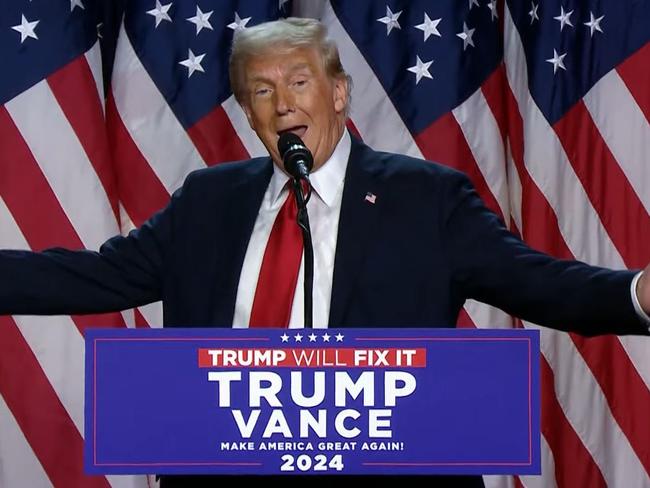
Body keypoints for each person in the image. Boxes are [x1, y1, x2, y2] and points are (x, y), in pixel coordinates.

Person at [0, 17, 648, 488]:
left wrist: (636, 293)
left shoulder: (427, 198)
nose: (282, 104)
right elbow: (94, 277)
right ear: (250, 116)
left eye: (299, 82)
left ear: (337, 93)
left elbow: (538, 283)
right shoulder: (208, 201)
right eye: (261, 90)